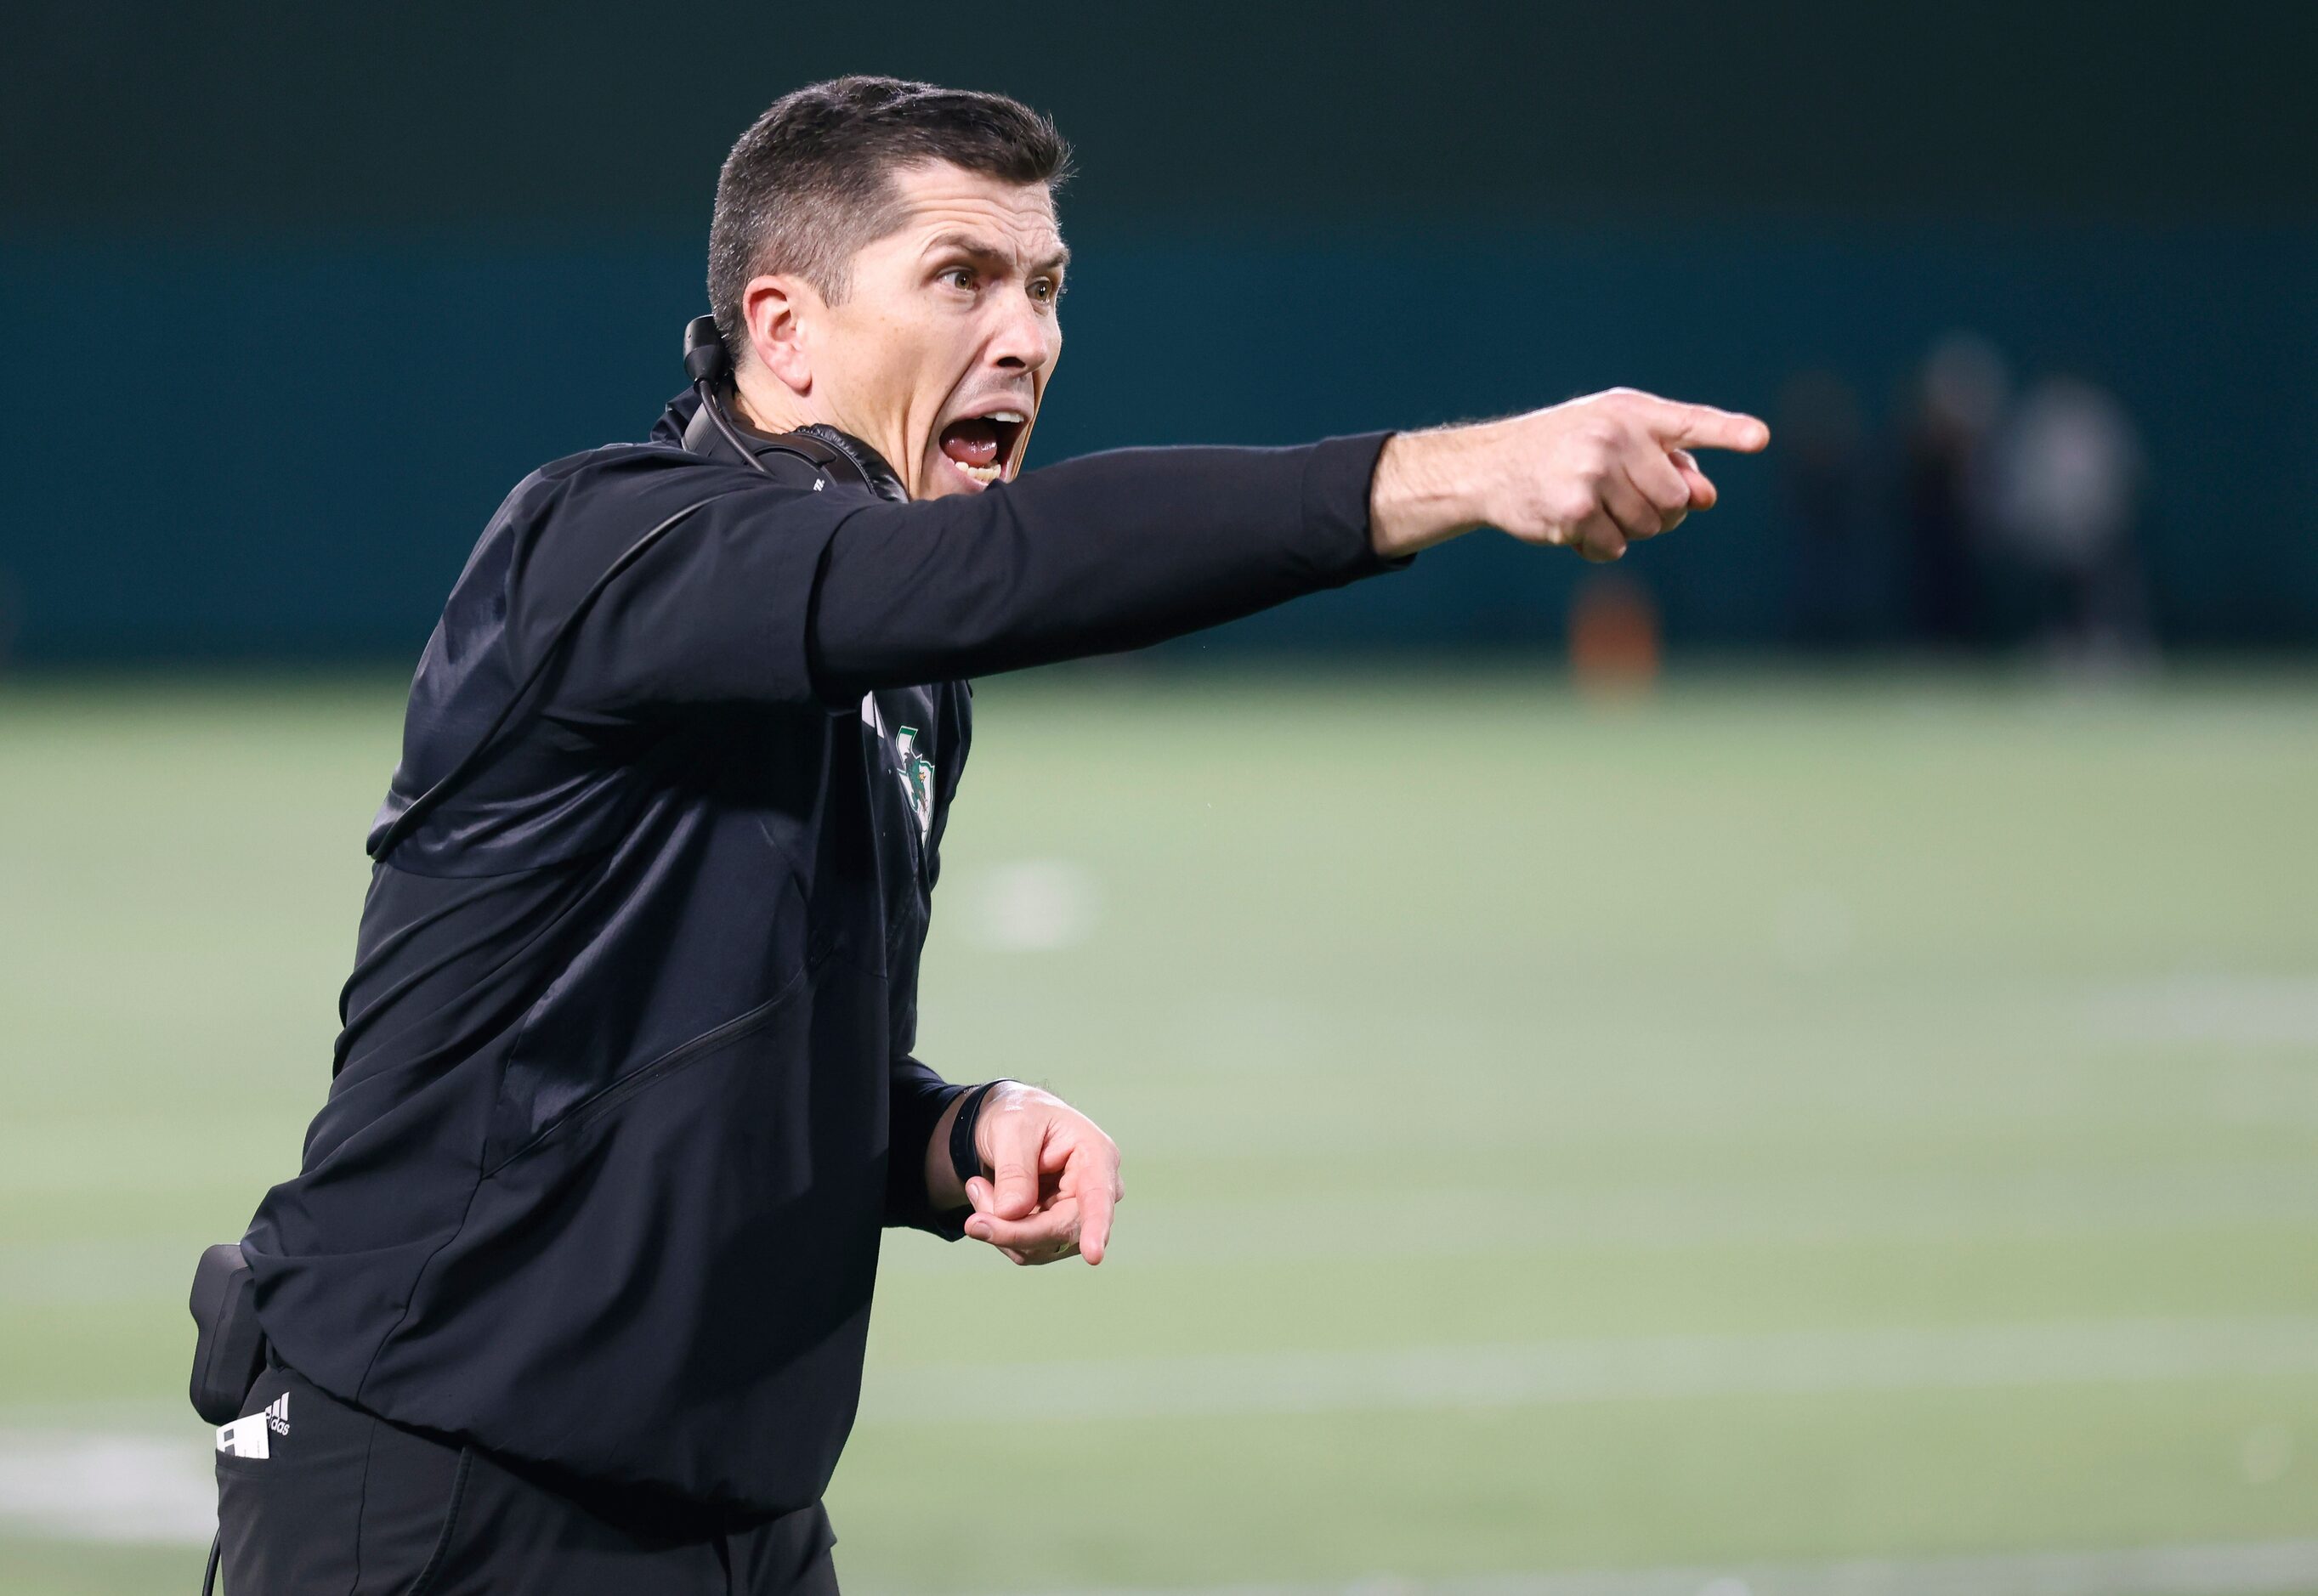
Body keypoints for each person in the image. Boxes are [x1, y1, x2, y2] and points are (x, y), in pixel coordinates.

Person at [214, 75, 1767, 1594]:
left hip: (734, 1513)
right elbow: (1021, 564)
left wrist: (951, 1135)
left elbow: (749, 1062)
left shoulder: (903, 670)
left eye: (1044, 286)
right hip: (435, 1484)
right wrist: (1459, 473)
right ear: (785, 331)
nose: (1023, 335)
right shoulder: (608, 543)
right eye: (959, 278)